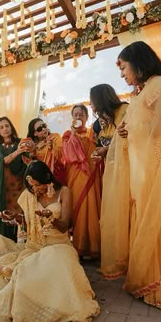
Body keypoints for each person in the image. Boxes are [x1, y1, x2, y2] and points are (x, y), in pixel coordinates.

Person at [0, 160, 100, 322]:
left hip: (59, 246)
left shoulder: (64, 192)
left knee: (58, 270)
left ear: (47, 177)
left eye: (38, 185)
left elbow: (66, 224)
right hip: (33, 247)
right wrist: (15, 218)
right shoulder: (29, 195)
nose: (35, 189)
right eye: (32, 186)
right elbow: (28, 223)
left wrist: (50, 217)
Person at [100, 41, 161, 310]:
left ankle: (158, 280)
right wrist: (128, 133)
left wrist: (135, 131)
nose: (122, 75)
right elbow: (144, 125)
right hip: (142, 171)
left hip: (157, 170)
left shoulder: (160, 85)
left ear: (139, 64)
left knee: (158, 218)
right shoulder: (141, 93)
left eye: (124, 68)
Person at [62, 104, 101, 259]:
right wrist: (72, 133)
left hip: (92, 176)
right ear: (72, 117)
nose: (78, 117)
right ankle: (78, 246)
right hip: (75, 177)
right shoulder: (67, 135)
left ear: (86, 117)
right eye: (76, 114)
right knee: (77, 209)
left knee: (92, 208)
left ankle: (94, 247)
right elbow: (68, 155)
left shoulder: (93, 133)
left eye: (81, 114)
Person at [0, 116, 34, 241]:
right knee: (6, 214)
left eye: (7, 126)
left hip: (21, 185)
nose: (5, 129)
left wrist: (31, 149)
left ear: (11, 127)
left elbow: (30, 157)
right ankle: (7, 242)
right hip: (5, 188)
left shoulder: (21, 141)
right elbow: (5, 161)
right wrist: (19, 151)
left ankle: (26, 241)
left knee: (21, 211)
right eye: (1, 127)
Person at [89, 84, 128, 163]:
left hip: (129, 162)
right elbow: (100, 146)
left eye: (91, 99)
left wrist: (106, 149)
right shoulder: (97, 125)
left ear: (99, 98)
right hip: (111, 166)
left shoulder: (125, 110)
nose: (90, 103)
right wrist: (98, 153)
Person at [27, 118, 66, 184]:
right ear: (35, 133)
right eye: (39, 129)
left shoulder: (55, 137)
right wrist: (33, 153)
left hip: (56, 175)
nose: (43, 129)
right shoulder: (33, 146)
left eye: (44, 126)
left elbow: (61, 154)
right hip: (41, 179)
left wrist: (51, 147)